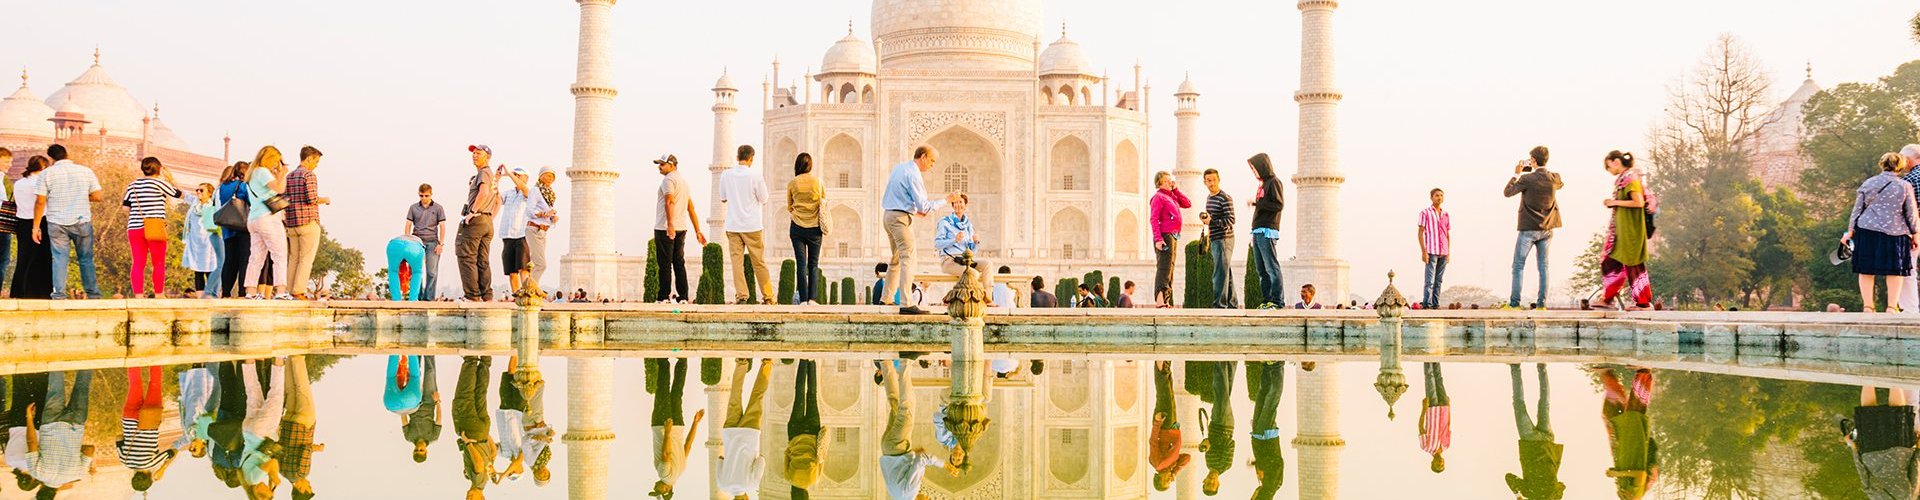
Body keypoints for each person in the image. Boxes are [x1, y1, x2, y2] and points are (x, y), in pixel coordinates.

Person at [1844, 152, 1920, 312]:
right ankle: (1892, 307)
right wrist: (1915, 234)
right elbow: (1911, 213)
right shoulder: (1904, 186)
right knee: (1895, 271)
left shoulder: (1868, 183)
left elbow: (1857, 210)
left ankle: (1868, 306)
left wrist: (1850, 232)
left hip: (1867, 230)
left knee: (1866, 269)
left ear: (1882, 164)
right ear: (1900, 166)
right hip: (1895, 233)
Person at [882, 146, 953, 315]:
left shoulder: (900, 168)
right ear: (923, 157)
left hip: (889, 216)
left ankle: (886, 298)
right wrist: (946, 200)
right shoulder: (914, 174)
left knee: (897, 259)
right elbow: (925, 206)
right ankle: (907, 303)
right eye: (932, 161)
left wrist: (915, 210)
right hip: (900, 220)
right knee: (909, 258)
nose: (932, 165)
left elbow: (905, 199)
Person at [33, 144, 104, 300]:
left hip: (56, 222)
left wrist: (36, 227)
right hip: (81, 221)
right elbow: (98, 196)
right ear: (67, 154)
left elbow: (40, 202)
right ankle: (93, 294)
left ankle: (59, 294)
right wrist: (80, 197)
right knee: (85, 259)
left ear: (51, 159)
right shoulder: (85, 171)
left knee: (59, 258)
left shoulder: (46, 174)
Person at [878, 359, 955, 499]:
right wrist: (915, 454)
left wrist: (945, 465)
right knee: (895, 404)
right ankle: (885, 363)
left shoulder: (911, 492)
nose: (928, 497)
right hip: (887, 448)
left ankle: (905, 362)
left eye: (928, 499)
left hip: (898, 447)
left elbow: (921, 459)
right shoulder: (899, 497)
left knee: (907, 407)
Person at [1504, 146, 1563, 309]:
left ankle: (1514, 304)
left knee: (1518, 266)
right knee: (1544, 266)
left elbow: (1507, 192)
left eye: (1531, 160)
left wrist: (1517, 173)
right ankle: (1541, 304)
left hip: (1528, 228)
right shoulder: (1555, 178)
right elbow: (1559, 184)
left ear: (1534, 161)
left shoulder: (1527, 179)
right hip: (1548, 228)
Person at [718, 145, 775, 304]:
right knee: (759, 263)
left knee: (737, 264)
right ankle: (768, 297)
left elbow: (723, 198)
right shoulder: (755, 175)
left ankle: (742, 296)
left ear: (737, 157)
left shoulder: (726, 175)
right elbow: (764, 199)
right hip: (752, 226)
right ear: (751, 158)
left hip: (733, 226)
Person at [1599, 151, 1655, 310]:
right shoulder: (1624, 179)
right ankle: (1607, 299)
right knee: (1610, 263)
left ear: (1615, 161)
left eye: (1608, 166)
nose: (1609, 171)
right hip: (1621, 233)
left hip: (1631, 232)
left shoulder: (1631, 179)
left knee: (1634, 266)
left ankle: (1643, 303)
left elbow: (1638, 202)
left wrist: (1614, 202)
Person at [1843, 386, 1919, 499]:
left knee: (1898, 410)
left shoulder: (1909, 497)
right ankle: (1868, 376)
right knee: (1867, 411)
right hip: (1871, 454)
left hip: (1898, 454)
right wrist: (1853, 446)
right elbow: (1862, 471)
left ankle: (1894, 377)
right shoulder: (1873, 497)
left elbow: (1916, 467)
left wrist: (1918, 447)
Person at [122, 157, 181, 298]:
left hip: (135, 228)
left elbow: (125, 208)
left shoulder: (133, 185)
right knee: (158, 262)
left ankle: (138, 295)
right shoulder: (160, 183)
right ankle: (159, 294)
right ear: (159, 169)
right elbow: (179, 194)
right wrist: (170, 178)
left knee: (138, 263)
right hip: (155, 227)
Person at [1596, 367, 1658, 499]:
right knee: (1635, 409)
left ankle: (1608, 375)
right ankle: (1644, 373)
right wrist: (1616, 474)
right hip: (1633, 447)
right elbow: (1640, 475)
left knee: (1612, 416)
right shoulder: (1634, 497)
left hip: (1624, 447)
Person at [652, 154, 705, 304]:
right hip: (682, 228)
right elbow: (691, 208)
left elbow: (669, 202)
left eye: (662, 164)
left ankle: (663, 297)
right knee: (679, 263)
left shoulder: (668, 180)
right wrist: (698, 230)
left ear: (672, 165)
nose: (659, 167)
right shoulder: (684, 182)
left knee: (665, 264)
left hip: (665, 228)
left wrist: (670, 225)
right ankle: (683, 297)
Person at [1506, 363, 1564, 500]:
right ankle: (1515, 367)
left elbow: (1562, 485)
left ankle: (1542, 367)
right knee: (1519, 403)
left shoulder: (1555, 497)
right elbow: (1509, 477)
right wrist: (1518, 496)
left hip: (1547, 443)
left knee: (1544, 403)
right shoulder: (1529, 493)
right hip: (1530, 443)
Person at [717, 359, 773, 499]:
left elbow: (761, 461)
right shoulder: (722, 485)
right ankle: (741, 363)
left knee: (757, 396)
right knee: (735, 395)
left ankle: (767, 364)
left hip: (749, 433)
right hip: (730, 433)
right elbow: (720, 459)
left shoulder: (751, 485)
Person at [243, 146, 293, 300]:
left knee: (256, 257)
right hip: (268, 219)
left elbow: (277, 188)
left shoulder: (252, 174)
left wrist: (278, 174)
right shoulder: (262, 172)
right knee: (279, 254)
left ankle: (250, 292)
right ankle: (280, 291)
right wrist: (283, 173)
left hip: (254, 218)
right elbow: (279, 189)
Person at [649, 358, 703, 498]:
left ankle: (683, 360)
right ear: (667, 490)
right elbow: (665, 454)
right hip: (663, 426)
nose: (655, 486)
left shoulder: (681, 470)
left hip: (678, 426)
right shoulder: (664, 475)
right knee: (662, 390)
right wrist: (667, 432)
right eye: (658, 490)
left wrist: (695, 422)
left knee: (677, 393)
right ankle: (662, 360)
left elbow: (688, 445)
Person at [119, 366, 177, 493]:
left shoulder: (152, 464)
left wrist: (162, 469)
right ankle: (134, 357)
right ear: (134, 477)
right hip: (129, 418)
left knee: (155, 383)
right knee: (135, 384)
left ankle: (155, 359)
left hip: (150, 420)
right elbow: (118, 438)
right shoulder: (124, 461)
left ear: (149, 477)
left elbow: (173, 452)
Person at [457, 145, 502, 302]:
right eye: (474, 153)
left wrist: (473, 212)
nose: (474, 155)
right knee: (482, 260)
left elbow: (483, 193)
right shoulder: (491, 176)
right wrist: (489, 218)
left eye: (478, 153)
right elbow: (497, 200)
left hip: (477, 219)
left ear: (487, 156)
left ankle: (472, 296)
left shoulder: (483, 173)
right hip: (487, 221)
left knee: (466, 256)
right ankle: (486, 296)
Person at [282, 146, 328, 299]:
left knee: (293, 258)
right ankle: (298, 290)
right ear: (309, 158)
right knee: (306, 258)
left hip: (292, 223)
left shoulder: (289, 176)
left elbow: (285, 199)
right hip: (308, 221)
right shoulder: (309, 175)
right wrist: (325, 200)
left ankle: (289, 290)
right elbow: (312, 199)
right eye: (316, 161)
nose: (316, 165)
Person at [786, 153, 828, 305]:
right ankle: (812, 299)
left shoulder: (792, 183)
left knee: (801, 264)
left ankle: (803, 299)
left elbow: (789, 205)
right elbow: (823, 201)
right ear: (811, 165)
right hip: (815, 228)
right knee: (813, 264)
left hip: (797, 228)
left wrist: (799, 212)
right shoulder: (818, 182)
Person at [278, 355, 321, 500]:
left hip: (304, 424)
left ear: (301, 490)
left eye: (308, 486)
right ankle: (289, 356)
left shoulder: (302, 473)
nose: (309, 483)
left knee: (302, 387)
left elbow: (306, 450)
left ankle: (297, 355)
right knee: (291, 389)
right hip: (289, 423)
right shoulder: (282, 471)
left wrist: (318, 449)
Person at [9, 156, 53, 299]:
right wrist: (37, 226)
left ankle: (19, 290)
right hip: (39, 221)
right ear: (43, 168)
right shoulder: (40, 183)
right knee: (41, 258)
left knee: (24, 257)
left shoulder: (19, 183)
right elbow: (39, 204)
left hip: (21, 222)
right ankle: (40, 292)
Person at [934, 193, 996, 291]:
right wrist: (954, 240)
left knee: (987, 264)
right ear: (953, 205)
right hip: (950, 261)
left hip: (965, 261)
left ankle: (988, 297)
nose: (958, 204)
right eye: (955, 202)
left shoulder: (968, 226)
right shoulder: (945, 222)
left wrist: (976, 243)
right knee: (973, 274)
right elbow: (937, 244)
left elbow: (972, 251)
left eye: (960, 202)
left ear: (965, 205)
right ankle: (953, 297)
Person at [1246, 153, 1285, 309]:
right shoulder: (1263, 184)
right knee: (1261, 269)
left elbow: (1278, 205)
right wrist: (1257, 204)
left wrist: (1258, 203)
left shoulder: (1274, 183)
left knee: (1271, 267)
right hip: (1258, 230)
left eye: (1255, 168)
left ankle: (1277, 301)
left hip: (1267, 229)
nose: (1254, 172)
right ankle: (1267, 300)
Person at [454, 356, 496, 499]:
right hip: (471, 432)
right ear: (482, 498)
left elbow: (494, 451)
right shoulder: (477, 481)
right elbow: (478, 463)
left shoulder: (488, 477)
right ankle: (471, 360)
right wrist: (468, 442)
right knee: (464, 396)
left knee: (480, 393)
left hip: (483, 430)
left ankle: (485, 361)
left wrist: (486, 435)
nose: (469, 498)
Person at [785, 359, 826, 498]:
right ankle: (803, 360)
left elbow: (820, 458)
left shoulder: (815, 479)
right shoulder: (789, 477)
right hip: (795, 432)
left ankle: (812, 361)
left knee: (812, 395)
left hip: (812, 432)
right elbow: (786, 455)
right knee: (799, 394)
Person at [1149, 171, 1192, 306]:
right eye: (1167, 180)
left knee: (1170, 268)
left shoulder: (1171, 197)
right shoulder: (1158, 197)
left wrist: (1176, 190)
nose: (1170, 182)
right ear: (1160, 183)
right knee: (1164, 268)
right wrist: (1158, 239)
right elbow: (1154, 219)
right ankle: (1160, 300)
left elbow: (1187, 203)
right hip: (1164, 236)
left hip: (1173, 236)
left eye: (1170, 180)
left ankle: (1166, 300)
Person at [1149, 361, 1192, 491]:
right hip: (1172, 426)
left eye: (1165, 481)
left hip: (1164, 423)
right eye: (1169, 482)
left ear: (1158, 479)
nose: (1169, 480)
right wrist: (1175, 472)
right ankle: (1165, 362)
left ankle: (1160, 359)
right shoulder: (1170, 466)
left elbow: (1153, 442)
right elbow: (1187, 458)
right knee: (1168, 389)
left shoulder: (1158, 463)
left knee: (1163, 389)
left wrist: (1157, 422)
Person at [1200, 168, 1239, 309]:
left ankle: (1219, 305)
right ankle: (1232, 303)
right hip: (1215, 239)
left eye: (1214, 180)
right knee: (1225, 271)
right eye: (1209, 181)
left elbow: (1231, 220)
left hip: (1224, 239)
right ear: (1204, 182)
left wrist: (1211, 222)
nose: (1212, 183)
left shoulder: (1225, 198)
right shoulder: (1210, 198)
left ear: (1219, 180)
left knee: (1220, 274)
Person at [1248, 361, 1286, 499]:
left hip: (1259, 436)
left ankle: (1267, 366)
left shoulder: (1266, 485)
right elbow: (1277, 463)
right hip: (1266, 437)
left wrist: (1256, 463)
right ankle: (1277, 366)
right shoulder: (1272, 486)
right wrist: (1262, 467)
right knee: (1271, 399)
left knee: (1262, 396)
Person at [404, 183, 448, 301]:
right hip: (416, 241)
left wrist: (441, 244)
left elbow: (442, 226)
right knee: (416, 271)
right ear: (419, 195)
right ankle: (418, 297)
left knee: (432, 272)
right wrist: (408, 242)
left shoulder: (438, 208)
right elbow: (408, 224)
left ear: (431, 194)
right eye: (421, 195)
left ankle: (428, 298)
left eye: (426, 195)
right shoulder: (413, 208)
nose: (424, 198)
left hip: (432, 241)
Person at [1197, 361, 1235, 496]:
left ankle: (1231, 359)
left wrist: (1206, 442)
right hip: (1225, 424)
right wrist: (1211, 443)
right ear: (1218, 484)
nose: (1211, 481)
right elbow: (1230, 444)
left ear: (1204, 480)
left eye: (1207, 483)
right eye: (1213, 485)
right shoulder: (1226, 466)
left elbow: (1210, 442)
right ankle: (1220, 358)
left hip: (1215, 423)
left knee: (1225, 389)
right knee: (1219, 389)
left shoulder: (1209, 463)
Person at [217, 161, 253, 299]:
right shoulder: (243, 186)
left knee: (229, 260)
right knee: (244, 260)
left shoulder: (223, 187)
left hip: (227, 227)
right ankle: (242, 293)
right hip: (243, 227)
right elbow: (251, 201)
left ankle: (225, 292)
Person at [497, 167, 533, 297]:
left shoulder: (528, 192)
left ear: (526, 178)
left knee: (523, 268)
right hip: (507, 235)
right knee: (511, 271)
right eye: (515, 174)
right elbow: (495, 199)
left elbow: (523, 188)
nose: (516, 176)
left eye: (519, 175)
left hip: (521, 235)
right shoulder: (508, 193)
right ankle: (516, 296)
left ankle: (527, 294)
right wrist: (497, 179)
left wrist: (509, 174)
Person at [400, 356, 443, 464]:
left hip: (414, 403)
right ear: (426, 451)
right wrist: (437, 401)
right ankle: (429, 352)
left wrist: (403, 403)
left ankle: (416, 354)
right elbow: (438, 420)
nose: (419, 448)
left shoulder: (409, 437)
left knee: (414, 375)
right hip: (429, 402)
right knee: (430, 372)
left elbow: (404, 419)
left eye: (416, 450)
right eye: (421, 450)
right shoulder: (433, 437)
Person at [184, 183, 221, 297]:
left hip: (209, 243)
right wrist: (169, 179)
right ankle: (200, 297)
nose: (198, 192)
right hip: (196, 243)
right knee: (198, 271)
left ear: (210, 193)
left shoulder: (214, 205)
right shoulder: (195, 203)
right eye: (197, 190)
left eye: (201, 190)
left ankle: (212, 295)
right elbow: (182, 194)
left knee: (210, 269)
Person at [1417, 188, 1450, 309]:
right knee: (1429, 280)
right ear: (1431, 197)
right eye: (1437, 195)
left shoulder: (1445, 214)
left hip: (1444, 250)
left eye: (1441, 195)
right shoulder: (1425, 213)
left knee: (1439, 280)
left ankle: (1436, 304)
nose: (1439, 198)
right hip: (1431, 250)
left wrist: (1449, 253)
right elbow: (1420, 232)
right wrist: (1423, 251)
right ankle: (1427, 303)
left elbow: (1447, 234)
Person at [174, 364, 214, 459]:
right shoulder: (208, 435)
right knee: (202, 379)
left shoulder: (189, 437)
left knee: (192, 377)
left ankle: (197, 362)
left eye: (190, 449)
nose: (191, 447)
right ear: (203, 447)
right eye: (194, 449)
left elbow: (175, 446)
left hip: (189, 401)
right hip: (201, 401)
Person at [527, 166, 558, 289]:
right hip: (534, 229)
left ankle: (531, 287)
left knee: (536, 263)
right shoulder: (536, 190)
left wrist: (552, 218)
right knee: (541, 264)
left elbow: (546, 213)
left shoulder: (549, 194)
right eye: (548, 175)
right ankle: (530, 290)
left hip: (543, 231)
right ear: (541, 176)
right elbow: (529, 211)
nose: (550, 178)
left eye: (552, 176)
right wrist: (545, 214)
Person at [1419, 363, 1451, 474]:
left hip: (1431, 409)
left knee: (1430, 378)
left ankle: (1427, 358)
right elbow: (1448, 425)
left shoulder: (1426, 447)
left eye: (1438, 465)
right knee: (1439, 379)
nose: (1440, 462)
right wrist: (1449, 407)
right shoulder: (1446, 446)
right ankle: (1436, 358)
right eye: (1442, 464)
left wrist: (1424, 408)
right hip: (1444, 408)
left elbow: (1421, 427)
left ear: (1432, 463)